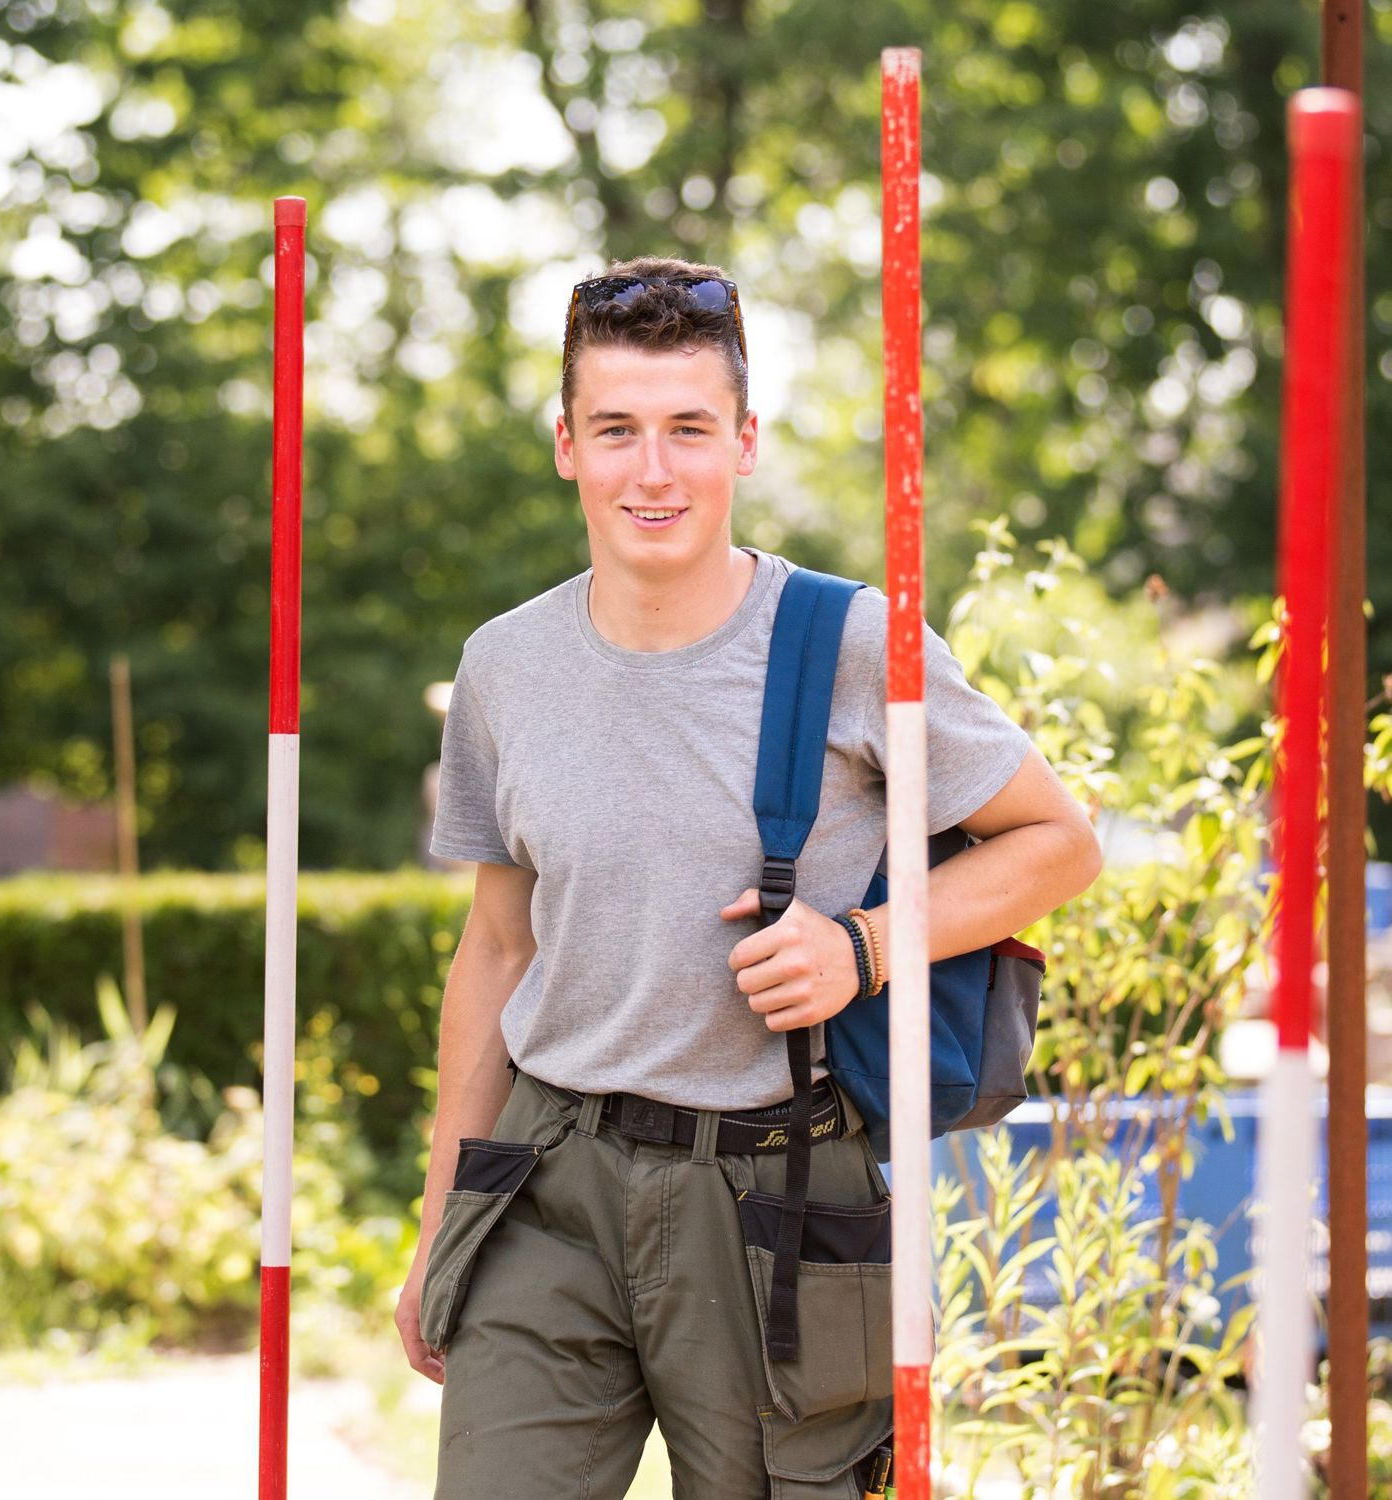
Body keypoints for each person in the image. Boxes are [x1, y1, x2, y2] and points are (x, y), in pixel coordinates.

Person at [394, 256, 1102, 1498]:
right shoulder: (504, 667)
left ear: (746, 442)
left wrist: (861, 947)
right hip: (549, 1180)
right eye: (616, 429)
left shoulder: (851, 643)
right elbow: (499, 948)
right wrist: (442, 1215)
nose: (653, 471)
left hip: (774, 1199)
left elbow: (1059, 842)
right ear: (567, 446)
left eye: (689, 428)